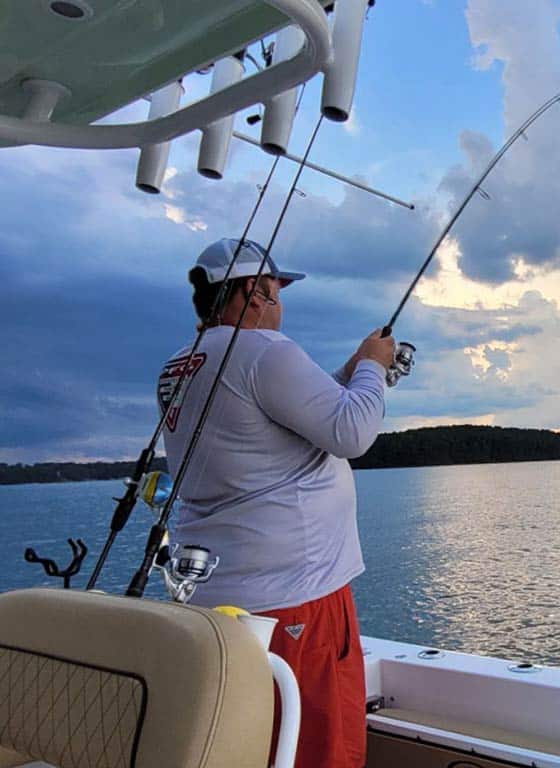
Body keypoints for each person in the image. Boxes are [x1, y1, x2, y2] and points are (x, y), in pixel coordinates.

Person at [158, 238, 394, 768]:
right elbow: (352, 431)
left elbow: (283, 419)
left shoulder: (178, 367)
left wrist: (353, 368)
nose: (281, 305)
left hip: (217, 605)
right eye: (277, 291)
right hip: (297, 601)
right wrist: (375, 368)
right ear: (253, 291)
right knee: (317, 747)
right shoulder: (267, 352)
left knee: (250, 746)